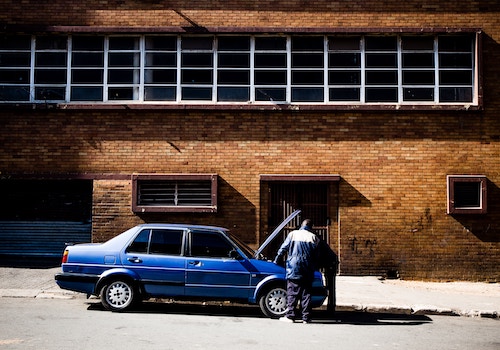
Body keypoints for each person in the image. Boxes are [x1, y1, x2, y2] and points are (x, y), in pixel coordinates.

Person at [273, 219, 320, 323]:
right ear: (311, 227)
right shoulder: (314, 238)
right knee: (306, 293)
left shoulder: (293, 234)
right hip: (307, 269)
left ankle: (290, 316)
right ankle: (306, 318)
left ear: (301, 225)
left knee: (292, 292)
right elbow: (316, 256)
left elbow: (283, 249)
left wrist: (277, 260)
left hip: (293, 267)